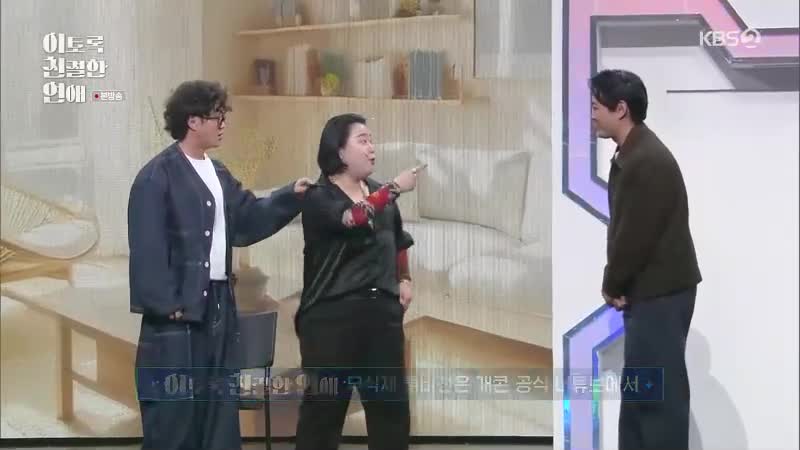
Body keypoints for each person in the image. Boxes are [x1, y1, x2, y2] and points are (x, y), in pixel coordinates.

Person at [127, 79, 312, 450]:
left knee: (219, 408)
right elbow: (147, 246)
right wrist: (168, 304)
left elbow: (248, 218)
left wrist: (289, 196)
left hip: (218, 305)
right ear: (193, 121)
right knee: (174, 412)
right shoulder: (156, 176)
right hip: (178, 313)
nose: (224, 124)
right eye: (218, 116)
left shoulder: (219, 173)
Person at [293, 113, 421, 450]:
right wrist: (395, 188)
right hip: (331, 318)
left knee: (391, 414)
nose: (372, 148)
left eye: (372, 140)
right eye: (362, 141)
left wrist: (404, 278)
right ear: (339, 151)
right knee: (323, 415)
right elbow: (354, 217)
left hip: (382, 316)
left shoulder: (379, 193)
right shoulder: (319, 196)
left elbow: (398, 240)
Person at [591, 69, 702, 450]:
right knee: (642, 395)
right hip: (651, 293)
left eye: (596, 107)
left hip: (661, 295)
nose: (591, 114)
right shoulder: (634, 153)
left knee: (657, 400)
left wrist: (612, 284)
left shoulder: (646, 160)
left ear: (620, 109)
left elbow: (633, 237)